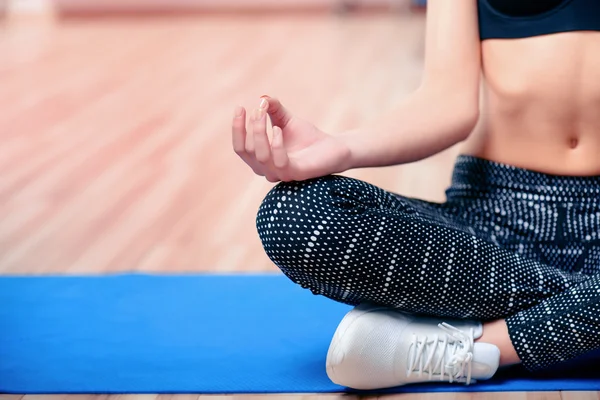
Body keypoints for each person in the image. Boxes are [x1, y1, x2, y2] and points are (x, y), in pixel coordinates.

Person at [231, 0, 600, 390]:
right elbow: (447, 100)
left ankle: (479, 348)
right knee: (293, 215)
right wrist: (342, 148)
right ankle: (577, 315)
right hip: (494, 222)